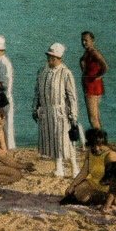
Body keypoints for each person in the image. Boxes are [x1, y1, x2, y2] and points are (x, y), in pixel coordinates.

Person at [34, 43, 81, 178]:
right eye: (49, 57)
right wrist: (34, 108)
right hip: (46, 112)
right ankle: (59, 168)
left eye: (53, 58)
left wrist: (73, 115)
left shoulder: (66, 73)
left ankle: (74, 169)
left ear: (60, 58)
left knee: (66, 140)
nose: (50, 60)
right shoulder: (42, 72)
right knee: (54, 141)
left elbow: (72, 97)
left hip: (61, 112)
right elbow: (36, 92)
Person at [61, 128, 116, 212]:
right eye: (93, 145)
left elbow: (115, 183)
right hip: (93, 184)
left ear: (103, 142)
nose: (96, 148)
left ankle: (106, 203)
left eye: (99, 145)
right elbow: (84, 172)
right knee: (74, 193)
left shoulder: (110, 156)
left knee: (82, 197)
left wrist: (107, 205)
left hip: (107, 190)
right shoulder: (90, 152)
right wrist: (71, 186)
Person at [79, 31, 108, 129]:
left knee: (92, 118)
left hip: (92, 86)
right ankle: (102, 140)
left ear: (92, 41)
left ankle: (98, 142)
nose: (84, 43)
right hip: (93, 85)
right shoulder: (88, 52)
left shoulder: (94, 52)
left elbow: (105, 66)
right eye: (82, 40)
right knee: (96, 116)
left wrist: (98, 76)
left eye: (86, 40)